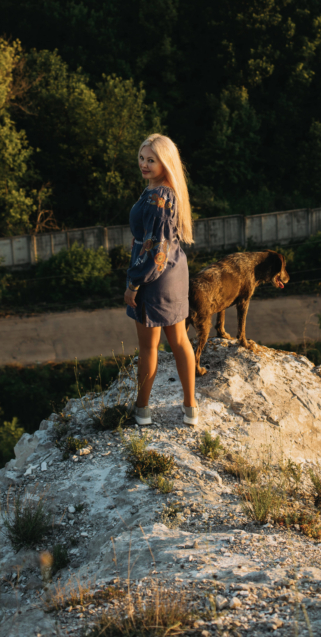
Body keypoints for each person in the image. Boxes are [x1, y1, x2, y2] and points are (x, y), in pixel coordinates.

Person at [124, 133, 198, 426]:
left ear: (165, 161)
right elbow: (164, 243)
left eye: (151, 160)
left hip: (154, 278)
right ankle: (190, 408)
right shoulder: (168, 190)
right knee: (180, 341)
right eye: (142, 158)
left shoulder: (157, 197)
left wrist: (134, 283)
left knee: (148, 346)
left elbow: (156, 250)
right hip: (175, 273)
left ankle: (142, 410)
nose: (144, 164)